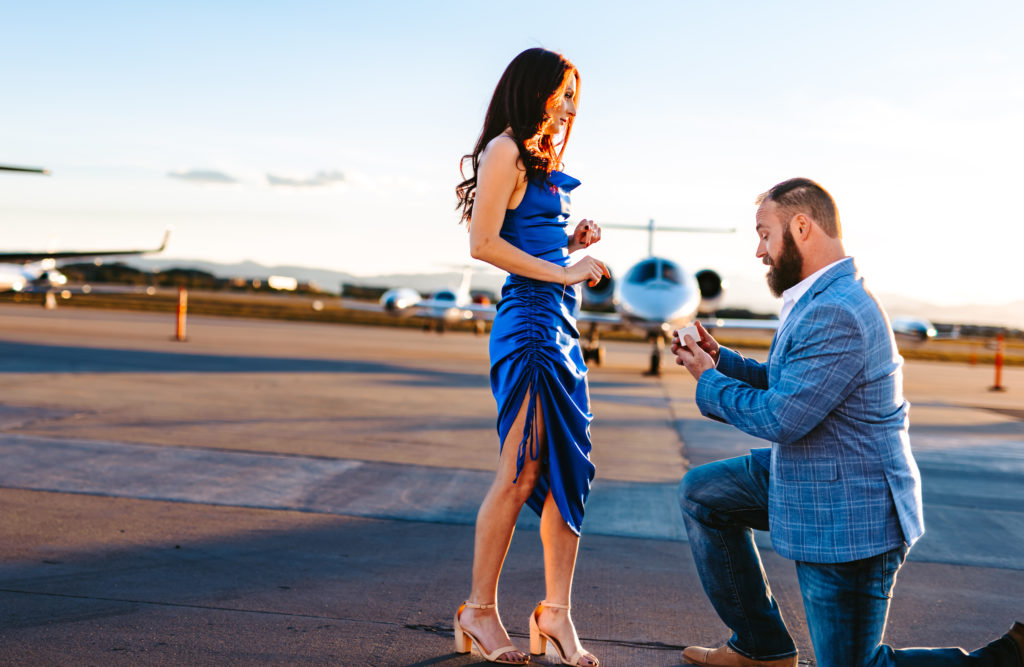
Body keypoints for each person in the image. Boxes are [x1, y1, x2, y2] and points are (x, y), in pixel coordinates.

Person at [671, 177, 1024, 667]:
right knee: (704, 494)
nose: (759, 250)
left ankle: (1001, 661)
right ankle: (761, 646)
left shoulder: (836, 310)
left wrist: (706, 380)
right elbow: (788, 382)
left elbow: (782, 415)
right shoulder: (820, 296)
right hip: (813, 473)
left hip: (851, 510)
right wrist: (721, 359)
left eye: (764, 233)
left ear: (801, 226)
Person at [451, 47, 607, 666]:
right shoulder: (504, 150)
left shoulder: (538, 159)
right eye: (562, 93)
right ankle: (478, 612)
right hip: (531, 325)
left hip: (559, 325)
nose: (570, 107)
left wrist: (571, 241)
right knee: (518, 472)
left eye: (574, 95)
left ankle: (556, 616)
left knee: (568, 472)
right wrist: (566, 271)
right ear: (533, 89)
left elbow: (524, 235)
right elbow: (484, 243)